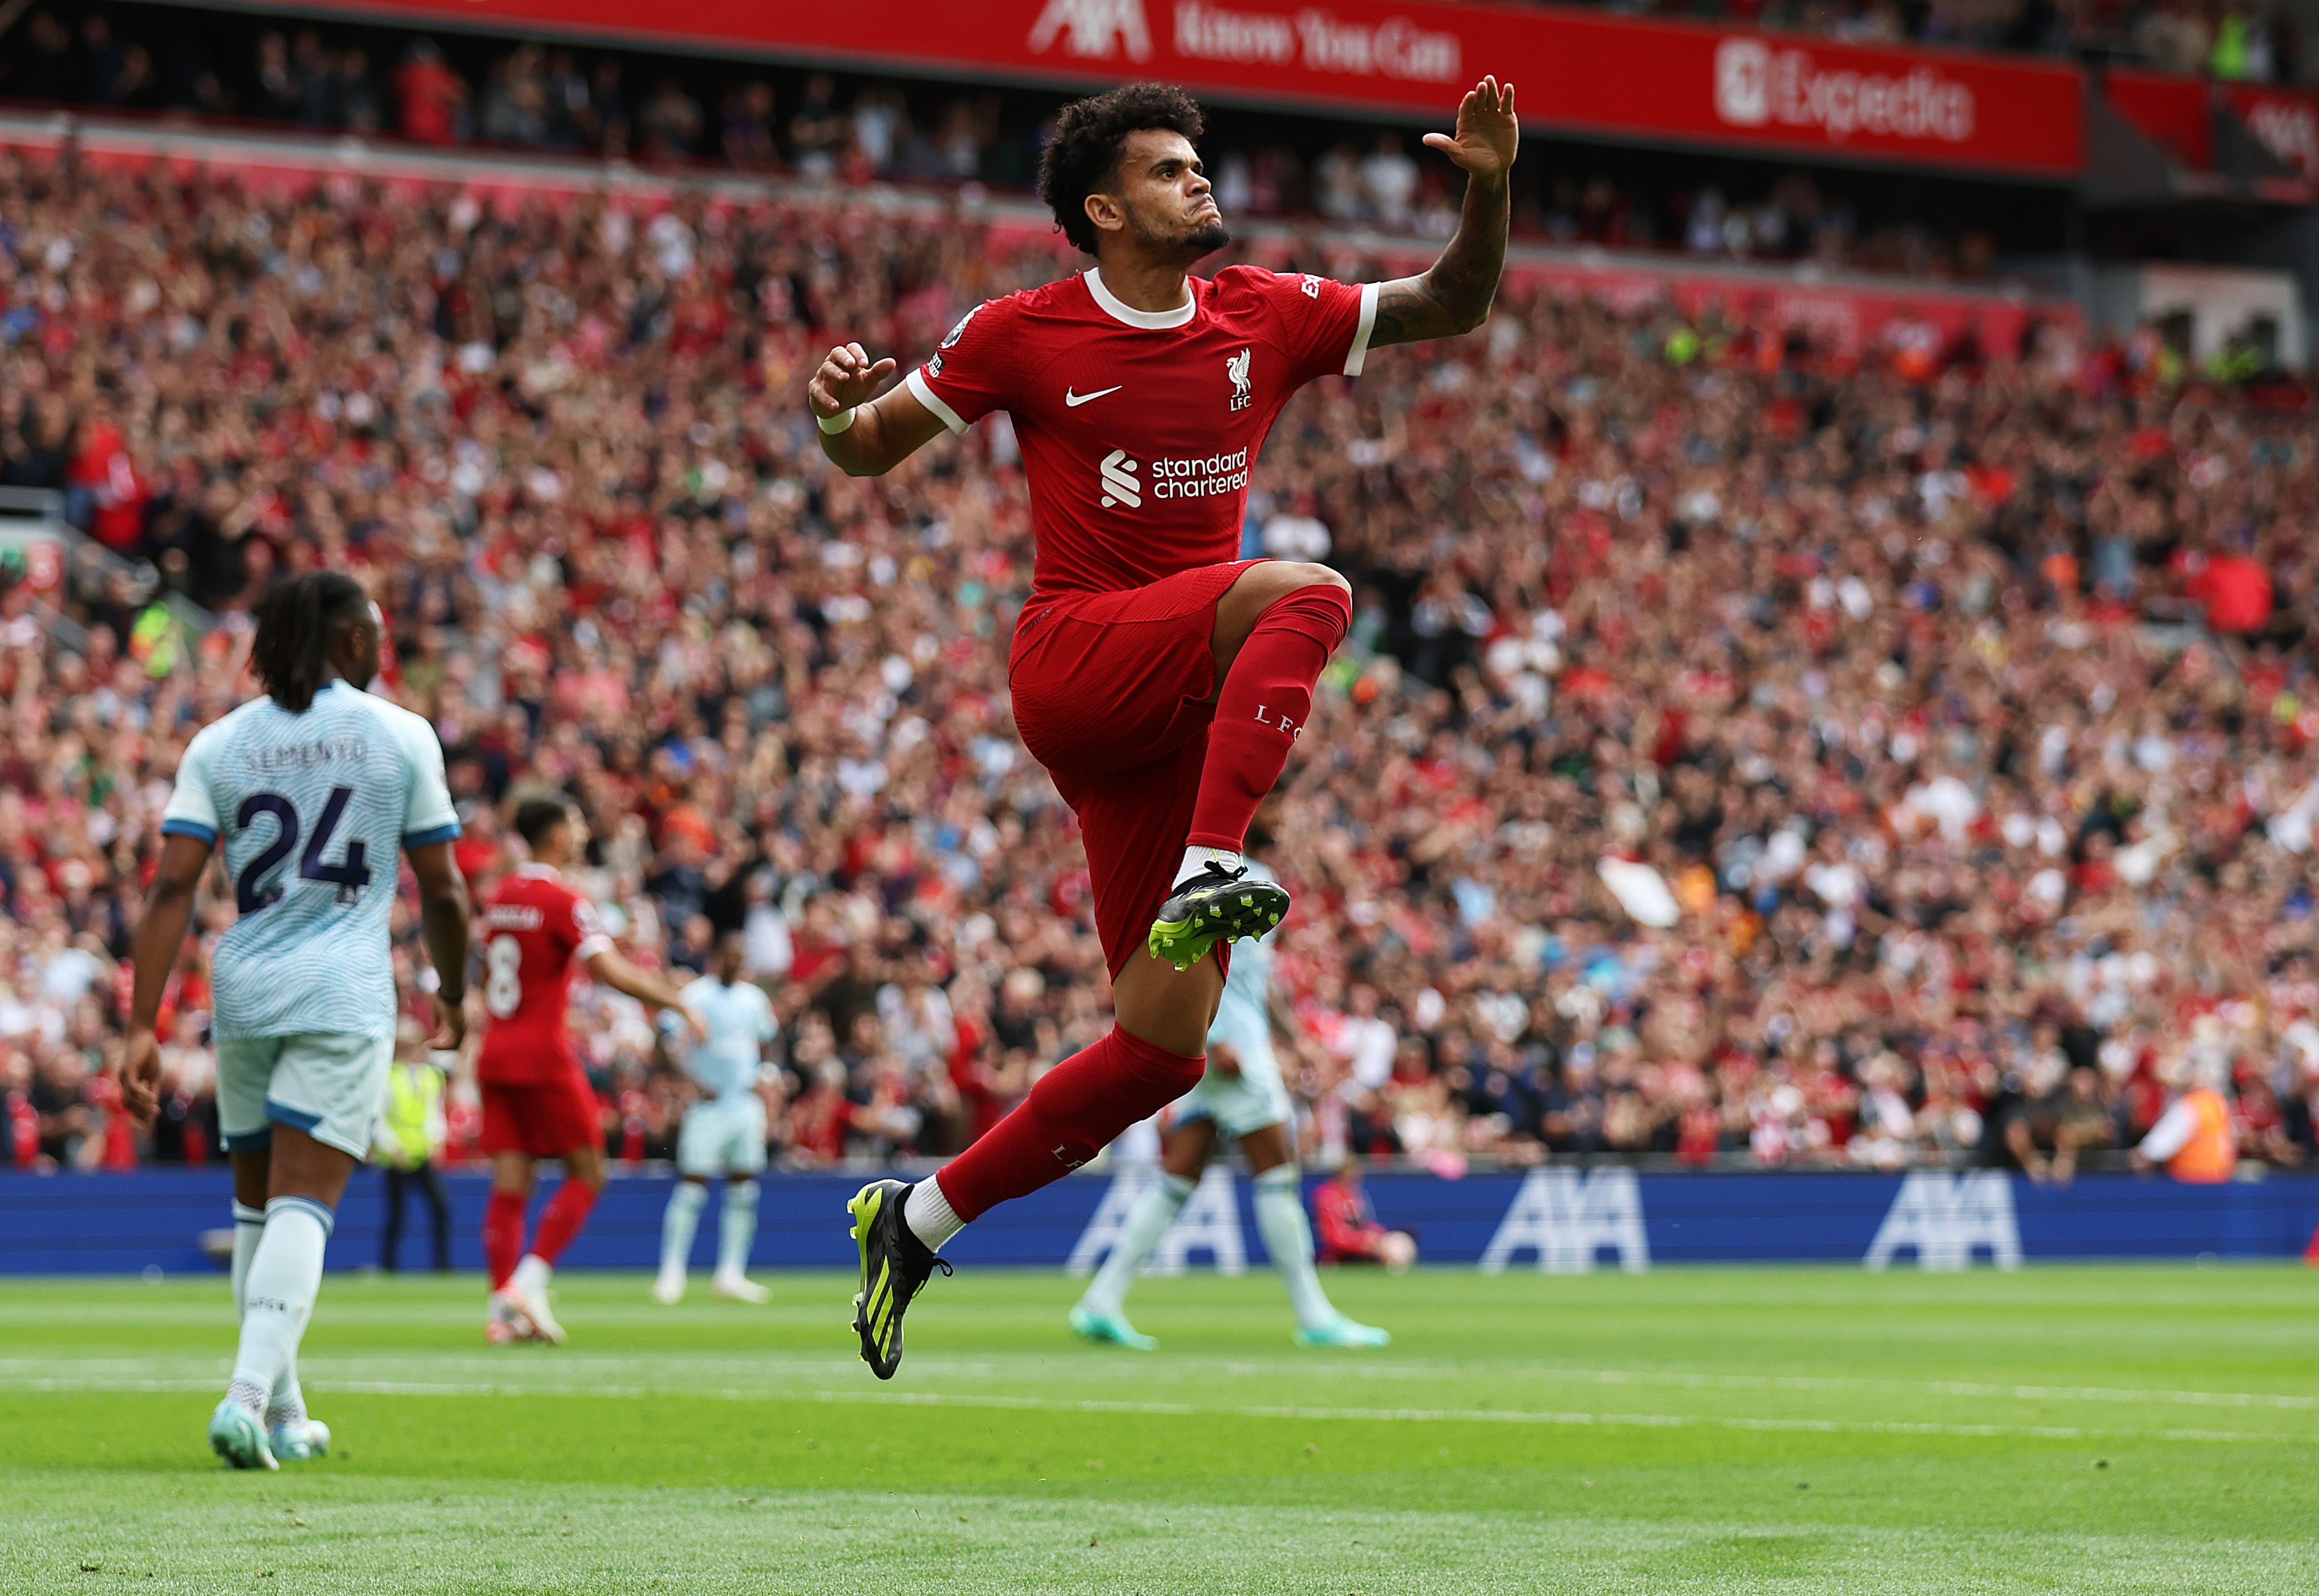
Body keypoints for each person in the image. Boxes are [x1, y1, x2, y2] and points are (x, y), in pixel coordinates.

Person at [810, 74, 1517, 1377]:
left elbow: (1453, 302)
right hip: (1078, 657)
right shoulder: (1020, 331)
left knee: (1158, 1050)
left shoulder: (1265, 311)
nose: (1199, 179)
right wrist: (831, 406)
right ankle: (1212, 862)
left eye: (1199, 162)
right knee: (1306, 587)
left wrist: (1485, 187)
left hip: (1172, 712)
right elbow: (864, 447)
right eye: (1165, 169)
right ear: (1100, 206)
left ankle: (913, 1218)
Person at [119, 570, 471, 1470]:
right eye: (378, 631)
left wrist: (139, 1025)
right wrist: (454, 991)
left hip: (245, 987)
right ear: (351, 641)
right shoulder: (399, 734)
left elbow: (170, 887)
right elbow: (444, 886)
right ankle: (242, 1399)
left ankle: (284, 1412)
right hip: (342, 989)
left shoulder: (222, 742)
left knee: (254, 1212)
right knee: (305, 1209)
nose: (385, 645)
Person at [1070, 839, 1389, 1350]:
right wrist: (1215, 1037)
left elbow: (1258, 980)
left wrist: (1294, 1040)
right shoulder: (1218, 867)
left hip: (1235, 1038)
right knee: (1278, 1173)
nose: (1281, 812)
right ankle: (1314, 1314)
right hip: (1231, 1047)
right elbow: (1186, 954)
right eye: (1272, 799)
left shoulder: (1251, 870)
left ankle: (1101, 1300)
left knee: (1178, 1177)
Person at [475, 797, 702, 1344]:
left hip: (496, 1050)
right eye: (575, 822)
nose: (581, 830)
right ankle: (527, 1284)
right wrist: (676, 1000)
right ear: (554, 833)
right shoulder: (562, 899)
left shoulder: (501, 895)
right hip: (543, 1054)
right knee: (588, 1171)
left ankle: (501, 1309)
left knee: (512, 1185)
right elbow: (610, 971)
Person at [651, 931, 779, 1305]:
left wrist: (765, 1073)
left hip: (744, 1105)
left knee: (744, 1188)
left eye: (740, 957)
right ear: (716, 957)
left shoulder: (753, 999)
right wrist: (690, 1079)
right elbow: (663, 1036)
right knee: (691, 1187)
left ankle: (731, 1273)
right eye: (729, 956)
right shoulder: (697, 995)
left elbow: (770, 1038)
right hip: (708, 1106)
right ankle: (671, 1272)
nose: (734, 962)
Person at [373, 1023, 452, 1272]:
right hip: (398, 1157)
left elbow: (434, 1113)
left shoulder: (431, 1076)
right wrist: (392, 1148)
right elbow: (379, 1118)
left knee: (441, 1208)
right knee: (397, 1214)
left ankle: (442, 1266)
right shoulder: (389, 1076)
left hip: (422, 1154)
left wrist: (437, 1142)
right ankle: (389, 1267)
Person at [1312, 1158, 1417, 1270]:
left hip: (1360, 1248)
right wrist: (1362, 1241)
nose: (1354, 1179)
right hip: (1338, 1252)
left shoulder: (1355, 1194)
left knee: (1398, 1241)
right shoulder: (1327, 1195)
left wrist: (1378, 1236)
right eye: (1350, 1174)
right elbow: (1332, 1235)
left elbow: (1366, 1223)